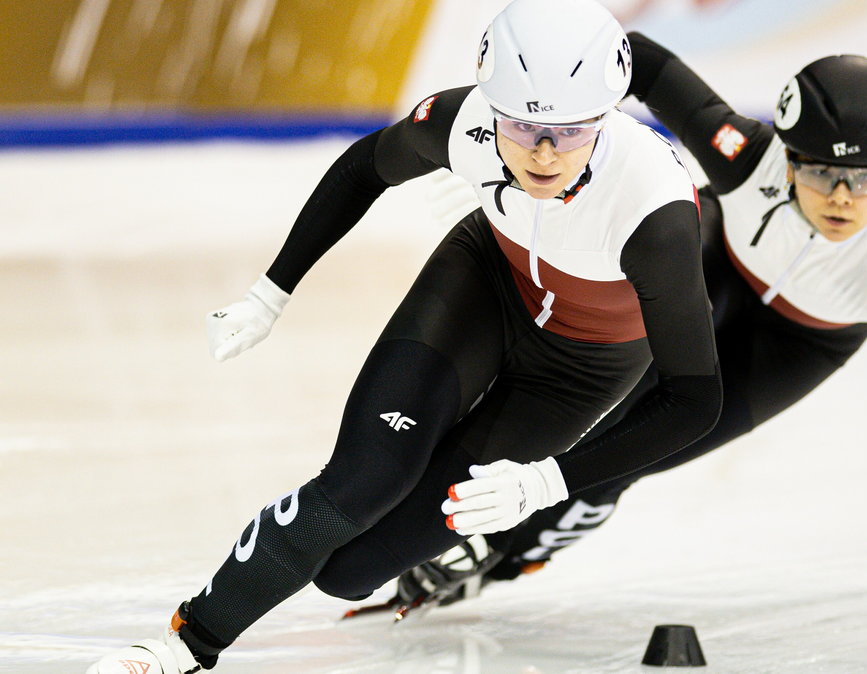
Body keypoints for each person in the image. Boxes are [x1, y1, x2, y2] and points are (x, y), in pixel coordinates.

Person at [85, 1, 723, 672]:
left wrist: (547, 482)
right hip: (484, 283)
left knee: (348, 573)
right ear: (490, 104)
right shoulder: (466, 123)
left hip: (580, 369)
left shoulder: (655, 215)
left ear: (607, 116)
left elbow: (694, 400)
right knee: (361, 483)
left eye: (569, 132)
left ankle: (441, 544)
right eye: (522, 125)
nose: (541, 152)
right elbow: (365, 167)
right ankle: (188, 643)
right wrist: (271, 292)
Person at [389, 33, 867, 664]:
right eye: (818, 169)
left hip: (800, 343)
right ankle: (468, 489)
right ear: (785, 157)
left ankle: (502, 557)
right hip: (714, 262)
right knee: (592, 386)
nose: (842, 196)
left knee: (632, 453)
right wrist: (522, 154)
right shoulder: (745, 154)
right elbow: (633, 59)